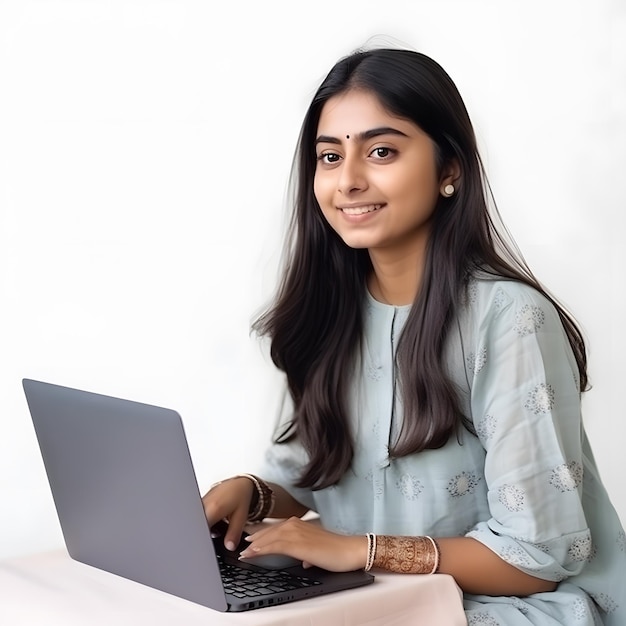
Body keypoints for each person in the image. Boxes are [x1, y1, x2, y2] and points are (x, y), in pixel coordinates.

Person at [202, 46, 626, 625]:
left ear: (449, 169)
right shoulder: (332, 313)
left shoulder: (508, 318)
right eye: (329, 157)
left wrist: (360, 551)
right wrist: (250, 494)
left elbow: (535, 557)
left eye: (381, 151)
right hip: (380, 598)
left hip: (516, 607)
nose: (348, 181)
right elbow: (315, 475)